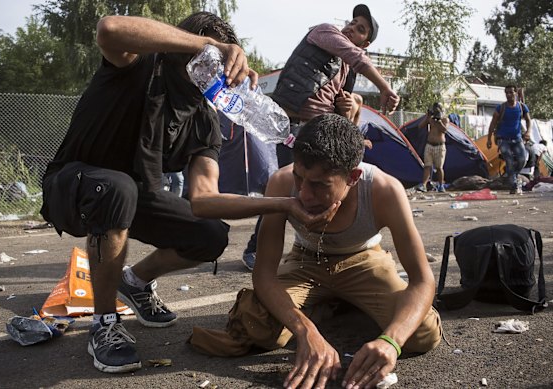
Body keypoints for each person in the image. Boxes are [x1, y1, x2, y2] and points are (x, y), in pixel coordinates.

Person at [40, 12, 336, 374]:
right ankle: (103, 324)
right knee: (117, 189)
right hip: (74, 183)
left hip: (135, 195)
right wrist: (207, 45)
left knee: (209, 235)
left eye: (217, 61)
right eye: (203, 52)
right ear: (179, 43)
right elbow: (109, 28)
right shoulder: (139, 65)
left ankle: (133, 282)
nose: (208, 65)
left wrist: (284, 203)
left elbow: (203, 199)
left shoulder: (202, 115)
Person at [190, 114, 442, 389]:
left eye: (320, 185)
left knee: (420, 333)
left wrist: (390, 342)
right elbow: (263, 275)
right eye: (300, 178)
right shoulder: (281, 182)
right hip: (305, 261)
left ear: (353, 177)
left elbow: (421, 280)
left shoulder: (384, 190)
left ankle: (341, 305)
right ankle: (324, 310)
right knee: (254, 323)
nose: (305, 194)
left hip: (364, 260)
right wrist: (305, 331)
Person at [242, 3, 399, 269]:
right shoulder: (324, 32)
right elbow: (356, 56)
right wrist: (385, 88)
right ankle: (255, 250)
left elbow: (343, 107)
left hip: (317, 133)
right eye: (352, 22)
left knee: (322, 191)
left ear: (366, 42)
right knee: (283, 188)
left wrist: (352, 107)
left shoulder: (347, 69)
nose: (351, 28)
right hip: (289, 126)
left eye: (360, 29)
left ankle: (324, 249)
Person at [487, 85, 531, 194]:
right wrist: (489, 139)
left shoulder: (521, 107)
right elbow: (492, 123)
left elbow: (529, 121)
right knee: (510, 161)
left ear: (516, 93)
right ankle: (514, 185)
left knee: (522, 160)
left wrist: (528, 132)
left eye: (511, 92)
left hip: (517, 139)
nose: (508, 95)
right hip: (503, 140)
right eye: (506, 93)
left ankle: (512, 176)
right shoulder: (501, 108)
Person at [416, 102, 448, 192]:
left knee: (439, 167)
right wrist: (428, 117)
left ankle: (441, 185)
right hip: (429, 145)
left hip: (440, 146)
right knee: (427, 166)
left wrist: (439, 121)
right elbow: (420, 126)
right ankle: (424, 185)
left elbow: (445, 130)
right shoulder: (430, 119)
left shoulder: (445, 120)